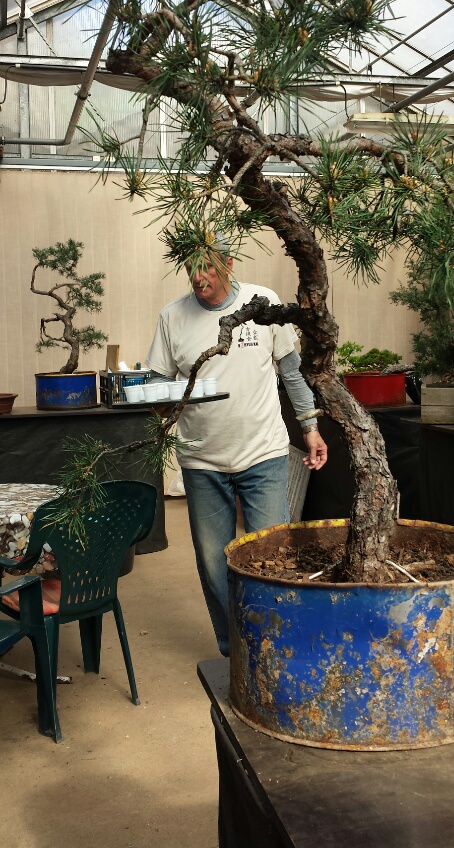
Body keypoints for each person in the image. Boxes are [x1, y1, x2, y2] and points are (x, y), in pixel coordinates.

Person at [145, 241, 328, 656]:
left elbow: (292, 372)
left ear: (229, 263)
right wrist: (158, 397)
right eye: (191, 268)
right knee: (215, 564)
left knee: (273, 556)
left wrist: (310, 427)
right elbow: (157, 382)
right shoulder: (172, 317)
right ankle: (237, 651)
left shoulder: (262, 304)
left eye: (207, 267)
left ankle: (276, 647)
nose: (198, 278)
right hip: (201, 460)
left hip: (263, 454)